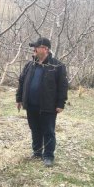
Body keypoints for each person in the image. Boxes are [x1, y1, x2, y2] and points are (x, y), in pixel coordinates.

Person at [16, 37, 68, 167]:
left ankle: (48, 156)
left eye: (36, 47)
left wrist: (61, 103)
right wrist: (19, 98)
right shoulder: (30, 65)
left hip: (48, 106)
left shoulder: (57, 66)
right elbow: (21, 82)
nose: (34, 49)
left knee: (48, 131)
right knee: (35, 129)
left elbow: (63, 86)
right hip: (31, 105)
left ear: (45, 49)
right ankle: (37, 152)